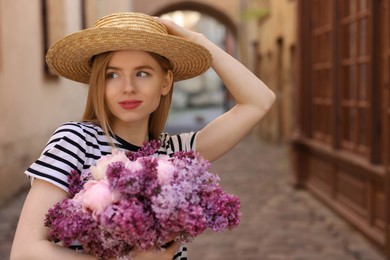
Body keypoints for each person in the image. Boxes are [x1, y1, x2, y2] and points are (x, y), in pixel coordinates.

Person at [10, 12, 275, 260]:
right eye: (112, 74)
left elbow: (259, 101)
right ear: (98, 85)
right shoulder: (76, 141)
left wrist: (198, 40)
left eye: (142, 73)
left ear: (165, 82)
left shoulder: (177, 152)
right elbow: (25, 250)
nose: (128, 88)